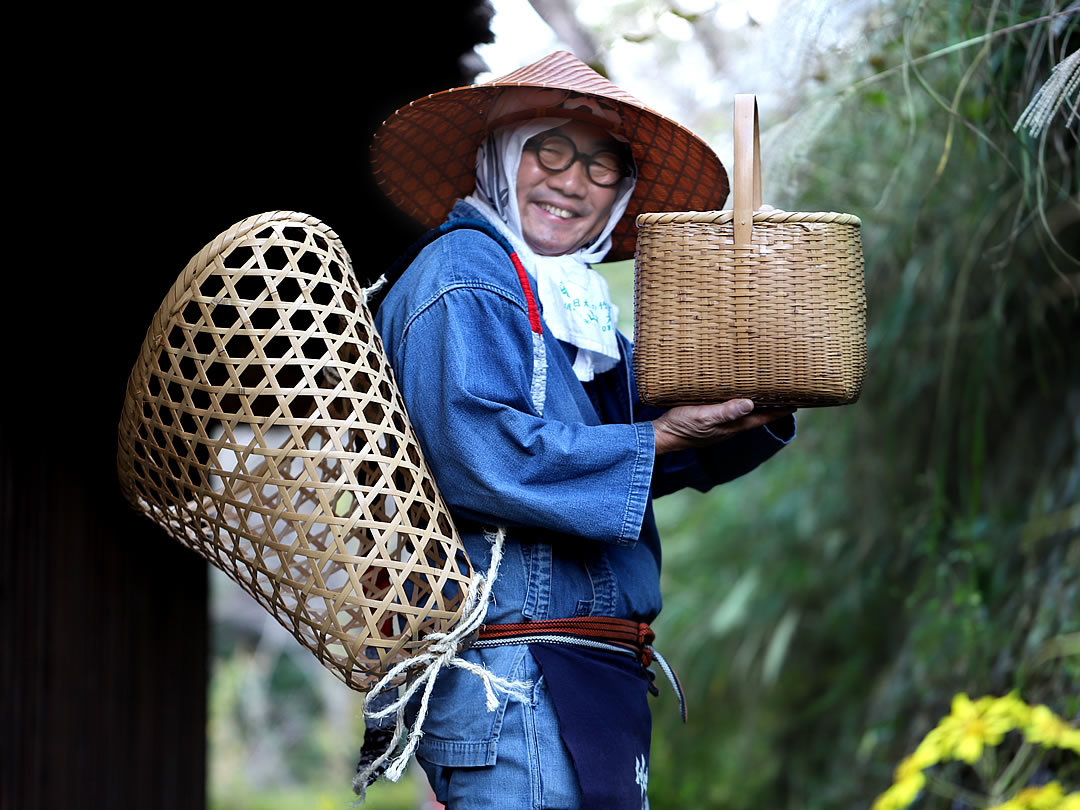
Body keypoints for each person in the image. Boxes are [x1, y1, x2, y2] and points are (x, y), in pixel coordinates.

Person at [361, 51, 795, 809]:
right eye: (548, 149)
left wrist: (753, 398)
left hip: (579, 672)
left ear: (621, 193)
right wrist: (661, 439)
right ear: (500, 158)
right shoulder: (466, 272)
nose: (572, 181)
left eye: (602, 166)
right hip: (517, 677)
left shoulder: (571, 304)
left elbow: (649, 437)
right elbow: (481, 456)